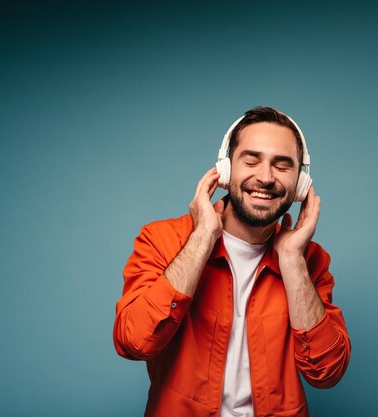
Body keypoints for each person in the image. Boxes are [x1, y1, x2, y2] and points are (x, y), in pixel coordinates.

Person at [113, 106, 351, 417]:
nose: (265, 177)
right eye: (251, 161)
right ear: (225, 171)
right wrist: (202, 239)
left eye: (282, 166)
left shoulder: (310, 260)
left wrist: (292, 260)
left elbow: (326, 372)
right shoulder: (162, 240)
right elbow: (135, 342)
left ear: (300, 184)